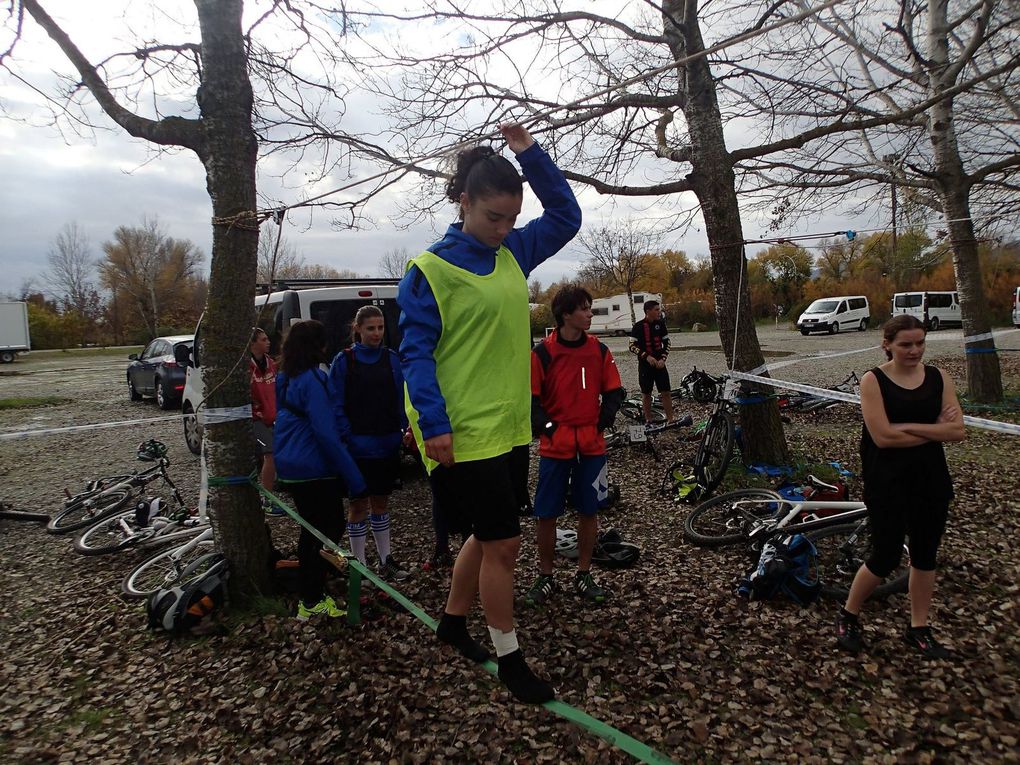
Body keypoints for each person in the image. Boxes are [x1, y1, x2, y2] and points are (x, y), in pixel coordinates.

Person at [399, 122, 581, 704]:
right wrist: (434, 426)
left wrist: (530, 154)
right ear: (464, 204)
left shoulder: (513, 252)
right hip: (459, 430)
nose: (504, 230)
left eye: (510, 218)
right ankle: (510, 657)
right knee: (504, 544)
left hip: (505, 425)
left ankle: (454, 624)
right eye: (493, 218)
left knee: (487, 532)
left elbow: (566, 216)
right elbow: (416, 356)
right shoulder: (429, 270)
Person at [835, 315, 965, 658]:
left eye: (920, 343)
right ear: (888, 344)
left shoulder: (939, 378)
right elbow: (883, 437)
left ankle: (919, 628)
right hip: (887, 481)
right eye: (906, 344)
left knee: (925, 556)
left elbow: (957, 431)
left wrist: (906, 427)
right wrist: (929, 427)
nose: (914, 350)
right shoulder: (873, 380)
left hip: (931, 479)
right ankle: (849, 614)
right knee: (885, 555)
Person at [525, 285, 624, 608]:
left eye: (590, 308)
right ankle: (546, 575)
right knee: (547, 512)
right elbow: (531, 401)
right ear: (565, 314)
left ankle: (584, 572)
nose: (589, 314)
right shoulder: (542, 353)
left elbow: (614, 392)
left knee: (588, 509)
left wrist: (600, 422)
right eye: (583, 308)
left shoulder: (599, 350)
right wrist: (550, 428)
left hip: (591, 445)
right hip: (556, 446)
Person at [274, 320, 367, 620]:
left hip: (290, 461)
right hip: (311, 465)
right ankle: (311, 598)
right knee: (324, 530)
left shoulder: (286, 375)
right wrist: (355, 480)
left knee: (313, 529)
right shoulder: (312, 379)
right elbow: (325, 432)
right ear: (319, 346)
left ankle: (314, 590)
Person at [329, 305, 410, 582]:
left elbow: (402, 398)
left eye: (380, 328)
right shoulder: (345, 361)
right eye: (370, 328)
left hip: (387, 443)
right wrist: (346, 436)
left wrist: (403, 430)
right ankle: (359, 564)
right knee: (357, 506)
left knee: (381, 502)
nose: (376, 334)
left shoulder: (391, 359)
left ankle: (386, 558)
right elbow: (336, 403)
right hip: (357, 447)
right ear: (358, 329)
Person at [249, 328, 281, 516]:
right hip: (255, 418)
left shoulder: (270, 363)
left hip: (272, 416)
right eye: (263, 339)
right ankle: (267, 500)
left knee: (270, 456)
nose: (268, 342)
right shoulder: (246, 366)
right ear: (253, 343)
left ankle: (267, 493)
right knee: (270, 454)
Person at [629, 299, 675, 424]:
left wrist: (663, 359)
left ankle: (671, 419)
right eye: (656, 310)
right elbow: (632, 346)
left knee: (666, 392)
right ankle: (648, 419)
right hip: (645, 366)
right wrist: (646, 357)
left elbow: (667, 343)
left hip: (660, 365)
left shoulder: (660, 324)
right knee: (646, 393)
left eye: (659, 309)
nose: (659, 312)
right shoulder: (638, 326)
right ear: (648, 311)